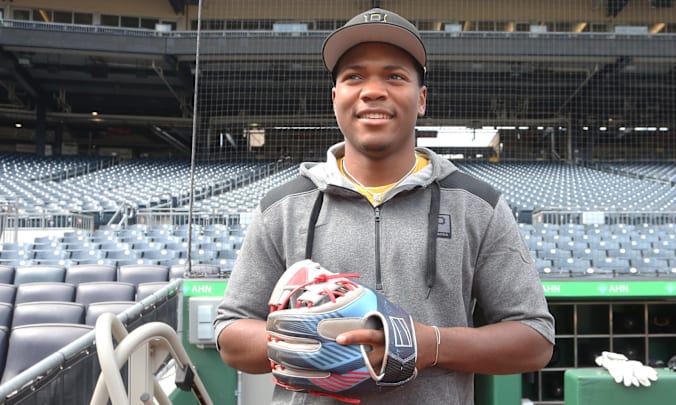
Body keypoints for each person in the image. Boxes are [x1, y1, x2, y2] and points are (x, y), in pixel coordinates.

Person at [214, 7, 555, 404]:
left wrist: (431, 345)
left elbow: (535, 339)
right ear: (335, 97)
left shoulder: (478, 204)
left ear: (422, 98)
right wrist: (310, 340)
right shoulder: (283, 207)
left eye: (395, 76)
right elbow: (230, 335)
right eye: (354, 76)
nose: (373, 90)